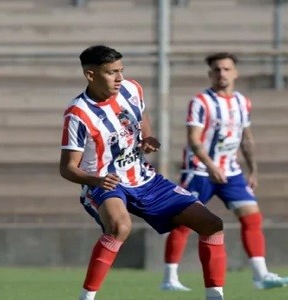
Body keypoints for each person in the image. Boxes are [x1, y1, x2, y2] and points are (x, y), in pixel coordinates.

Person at [59, 45, 227, 300]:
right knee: (120, 227)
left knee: (212, 224)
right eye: (112, 72)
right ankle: (87, 297)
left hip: (144, 178)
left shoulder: (131, 89)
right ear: (91, 75)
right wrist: (97, 179)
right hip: (105, 182)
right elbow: (68, 168)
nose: (119, 78)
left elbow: (141, 115)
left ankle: (215, 296)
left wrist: (147, 137)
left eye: (121, 71)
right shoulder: (78, 114)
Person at [159, 52, 288, 292]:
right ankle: (170, 278)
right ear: (210, 74)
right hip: (200, 171)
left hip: (231, 172)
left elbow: (246, 138)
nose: (222, 73)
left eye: (226, 69)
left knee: (252, 216)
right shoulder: (201, 102)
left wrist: (253, 169)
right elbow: (193, 140)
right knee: (184, 222)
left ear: (235, 72)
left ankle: (261, 275)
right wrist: (211, 166)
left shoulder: (243, 102)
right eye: (217, 70)